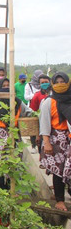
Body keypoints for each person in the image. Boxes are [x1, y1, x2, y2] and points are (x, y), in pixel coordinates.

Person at [0, 78, 32, 189]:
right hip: (0, 135)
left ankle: (11, 186)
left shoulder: (18, 102)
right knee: (0, 159)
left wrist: (35, 116)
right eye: (4, 86)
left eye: (8, 85)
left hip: (14, 133)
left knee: (15, 159)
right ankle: (1, 185)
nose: (6, 88)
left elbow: (28, 112)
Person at [40, 72, 71, 211]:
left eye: (62, 81)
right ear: (53, 84)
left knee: (69, 169)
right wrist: (46, 142)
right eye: (57, 81)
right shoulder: (49, 101)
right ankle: (60, 200)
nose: (60, 84)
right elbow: (44, 123)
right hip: (56, 141)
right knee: (58, 171)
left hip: (69, 139)